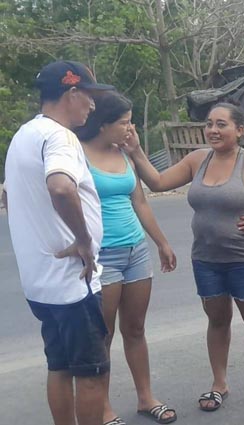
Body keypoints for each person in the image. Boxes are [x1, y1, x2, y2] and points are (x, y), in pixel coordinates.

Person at [121, 102, 244, 413]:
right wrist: (136, 151)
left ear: (240, 130)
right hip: (206, 259)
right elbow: (158, 183)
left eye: (221, 124)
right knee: (217, 320)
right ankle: (219, 384)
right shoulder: (197, 159)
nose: (213, 130)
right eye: (209, 124)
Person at [4, 60, 115, 425]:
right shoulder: (59, 137)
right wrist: (84, 240)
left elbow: (11, 195)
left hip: (41, 283)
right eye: (89, 96)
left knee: (60, 366)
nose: (93, 105)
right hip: (72, 283)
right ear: (72, 92)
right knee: (92, 372)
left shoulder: (24, 135)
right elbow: (61, 187)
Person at [75, 91, 178, 425]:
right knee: (103, 335)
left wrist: (161, 242)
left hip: (135, 251)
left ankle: (146, 398)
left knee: (135, 328)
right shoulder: (77, 154)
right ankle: (103, 407)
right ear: (103, 124)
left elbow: (140, 202)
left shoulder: (124, 153)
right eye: (124, 123)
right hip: (102, 256)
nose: (130, 128)